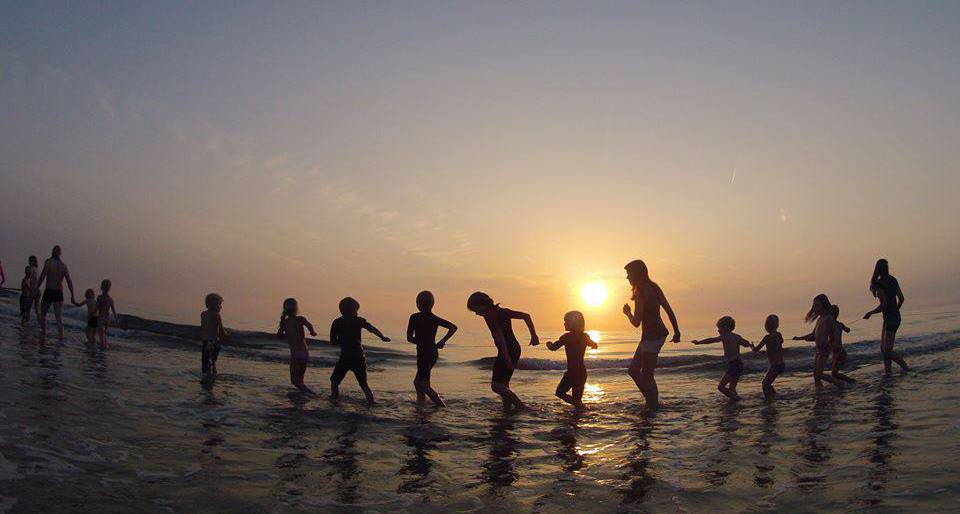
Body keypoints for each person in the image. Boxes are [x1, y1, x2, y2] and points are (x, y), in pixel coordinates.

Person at [622, 259, 681, 410]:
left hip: (652, 336)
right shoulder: (654, 287)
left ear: (636, 274)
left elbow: (636, 322)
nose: (627, 277)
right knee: (634, 371)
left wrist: (627, 313)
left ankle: (653, 404)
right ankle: (651, 401)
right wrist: (676, 330)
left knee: (646, 374)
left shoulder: (641, 292)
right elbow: (668, 309)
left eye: (628, 274)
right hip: (655, 335)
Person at [467, 291, 540, 411]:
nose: (476, 313)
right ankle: (507, 409)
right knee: (504, 384)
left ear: (482, 305)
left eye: (475, 309)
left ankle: (522, 407)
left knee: (496, 386)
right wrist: (534, 335)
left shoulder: (489, 315)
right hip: (515, 348)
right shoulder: (502, 311)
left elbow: (499, 336)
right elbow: (526, 316)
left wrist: (505, 357)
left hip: (507, 349)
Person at [329, 297, 390, 405]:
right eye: (356, 310)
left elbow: (332, 342)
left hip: (345, 357)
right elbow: (372, 329)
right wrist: (382, 337)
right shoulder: (358, 320)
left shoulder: (337, 322)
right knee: (363, 384)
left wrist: (342, 339)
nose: (357, 313)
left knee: (334, 382)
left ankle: (334, 400)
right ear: (352, 310)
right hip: (358, 356)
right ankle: (372, 402)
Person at [406, 291, 457, 407]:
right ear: (432, 304)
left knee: (423, 384)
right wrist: (441, 341)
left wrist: (420, 341)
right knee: (418, 383)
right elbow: (453, 327)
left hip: (424, 353)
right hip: (432, 352)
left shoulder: (414, 317)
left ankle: (441, 406)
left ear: (417, 304)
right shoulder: (434, 319)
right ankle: (421, 403)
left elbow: (409, 338)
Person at [545, 311, 598, 410]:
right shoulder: (584, 336)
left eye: (566, 321)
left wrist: (548, 344)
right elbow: (594, 344)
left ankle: (582, 407)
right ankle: (579, 411)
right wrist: (593, 346)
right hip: (582, 372)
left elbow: (553, 347)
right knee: (576, 398)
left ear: (573, 322)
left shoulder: (566, 337)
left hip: (572, 372)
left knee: (560, 393)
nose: (564, 323)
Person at [864, 259, 909, 373]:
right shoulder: (893, 280)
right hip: (894, 317)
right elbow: (901, 299)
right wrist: (895, 309)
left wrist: (870, 313)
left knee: (887, 350)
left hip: (891, 319)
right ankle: (888, 372)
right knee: (884, 349)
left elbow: (883, 305)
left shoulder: (879, 284)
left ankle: (906, 368)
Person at [693, 316, 752, 400]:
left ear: (726, 327)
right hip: (739, 364)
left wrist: (699, 342)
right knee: (732, 389)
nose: (718, 330)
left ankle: (737, 399)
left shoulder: (725, 336)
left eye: (719, 328)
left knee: (721, 387)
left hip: (734, 365)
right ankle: (735, 402)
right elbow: (746, 344)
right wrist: (749, 344)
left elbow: (712, 340)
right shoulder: (737, 336)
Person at [795, 305, 856, 385]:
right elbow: (848, 330)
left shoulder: (831, 324)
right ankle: (849, 382)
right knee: (833, 374)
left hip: (839, 352)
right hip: (837, 352)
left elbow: (819, 335)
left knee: (832, 374)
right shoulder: (838, 324)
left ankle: (849, 382)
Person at [798, 294, 845, 389]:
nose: (815, 308)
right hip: (818, 350)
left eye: (817, 306)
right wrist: (800, 338)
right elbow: (813, 335)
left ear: (824, 306)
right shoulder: (819, 320)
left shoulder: (828, 318)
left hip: (824, 348)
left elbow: (836, 329)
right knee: (816, 375)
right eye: (814, 306)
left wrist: (836, 341)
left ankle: (839, 384)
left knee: (819, 374)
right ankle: (819, 390)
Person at [277, 298, 318, 395]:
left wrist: (285, 334)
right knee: (300, 381)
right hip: (305, 353)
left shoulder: (285, 322)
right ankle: (305, 395)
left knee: (295, 381)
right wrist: (312, 332)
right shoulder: (300, 319)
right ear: (297, 309)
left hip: (296, 354)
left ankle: (311, 394)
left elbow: (279, 336)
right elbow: (309, 325)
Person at [36, 245, 76, 339]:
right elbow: (69, 281)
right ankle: (61, 336)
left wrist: (36, 287)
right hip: (59, 292)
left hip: (49, 290)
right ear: (60, 253)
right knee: (58, 317)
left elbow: (43, 275)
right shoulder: (63, 266)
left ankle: (44, 332)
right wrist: (72, 295)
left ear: (53, 252)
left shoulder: (49, 262)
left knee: (43, 314)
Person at [751, 314, 785, 400]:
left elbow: (756, 349)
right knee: (767, 383)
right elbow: (781, 342)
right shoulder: (779, 335)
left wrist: (751, 346)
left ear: (766, 326)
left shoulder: (767, 337)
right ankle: (775, 396)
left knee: (765, 384)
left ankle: (769, 400)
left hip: (774, 365)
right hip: (781, 363)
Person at [199, 293, 228, 383]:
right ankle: (212, 376)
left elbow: (203, 328)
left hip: (206, 342)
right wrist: (228, 335)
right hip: (214, 342)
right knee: (212, 361)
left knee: (206, 360)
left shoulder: (203, 314)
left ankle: (207, 375)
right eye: (219, 305)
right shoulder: (216, 315)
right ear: (213, 305)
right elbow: (221, 331)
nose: (220, 307)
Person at [96, 280, 118, 346]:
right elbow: (114, 311)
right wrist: (116, 320)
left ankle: (102, 346)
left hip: (101, 317)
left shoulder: (99, 297)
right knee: (104, 334)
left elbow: (97, 308)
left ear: (101, 287)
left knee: (101, 335)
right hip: (108, 319)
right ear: (109, 288)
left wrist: (91, 314)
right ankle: (105, 345)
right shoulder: (111, 299)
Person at [28, 256, 41, 322]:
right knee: (37, 309)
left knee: (28, 308)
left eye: (29, 261)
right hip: (38, 290)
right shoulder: (37, 269)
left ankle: (26, 322)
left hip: (32, 290)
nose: (28, 262)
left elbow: (28, 278)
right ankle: (40, 322)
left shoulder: (31, 268)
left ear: (32, 261)